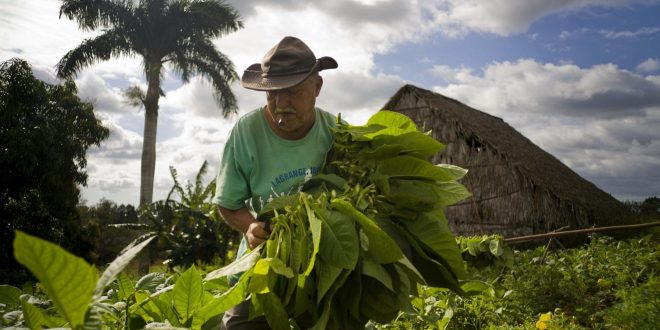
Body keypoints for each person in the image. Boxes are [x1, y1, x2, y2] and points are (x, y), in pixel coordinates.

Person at [213, 36, 338, 329]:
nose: (281, 104)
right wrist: (250, 226)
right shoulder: (246, 132)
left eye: (292, 92)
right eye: (272, 93)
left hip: (322, 266)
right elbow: (228, 203)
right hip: (263, 261)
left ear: (317, 87)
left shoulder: (336, 132)